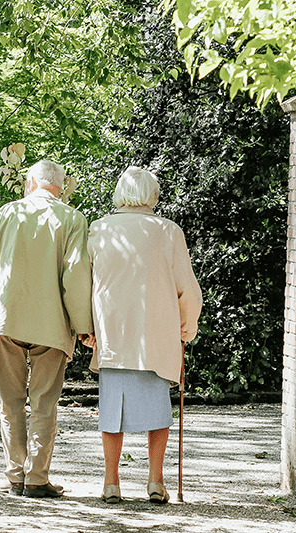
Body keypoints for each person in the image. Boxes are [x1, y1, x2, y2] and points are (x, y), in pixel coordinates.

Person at [0, 160, 94, 498]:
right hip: (52, 324)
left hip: (7, 318)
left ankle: (15, 475)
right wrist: (83, 326)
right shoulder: (73, 219)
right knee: (44, 403)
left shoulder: (7, 213)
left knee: (10, 401)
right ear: (60, 187)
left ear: (30, 182)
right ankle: (37, 478)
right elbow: (76, 275)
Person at [86, 166, 203, 504]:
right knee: (158, 410)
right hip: (156, 334)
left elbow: (86, 284)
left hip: (114, 333)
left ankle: (111, 482)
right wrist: (187, 326)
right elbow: (187, 289)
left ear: (121, 194)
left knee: (111, 410)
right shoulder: (168, 231)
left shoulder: (100, 229)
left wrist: (87, 328)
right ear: (153, 195)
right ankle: (155, 481)